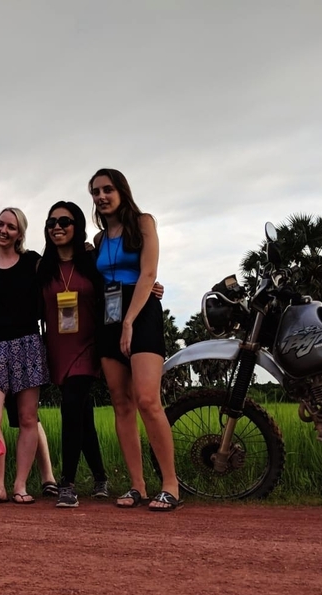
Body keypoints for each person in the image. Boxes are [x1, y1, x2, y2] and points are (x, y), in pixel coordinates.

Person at [90, 168, 180, 511]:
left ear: (121, 191)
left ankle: (170, 484)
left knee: (146, 399)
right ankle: (137, 485)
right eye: (96, 192)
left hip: (140, 313)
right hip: (108, 314)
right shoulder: (99, 241)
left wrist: (129, 321)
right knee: (121, 402)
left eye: (107, 189)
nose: (101, 196)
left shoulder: (143, 222)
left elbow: (149, 273)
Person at [0, 194, 59, 498]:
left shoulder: (33, 262)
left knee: (28, 418)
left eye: (11, 226)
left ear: (20, 233)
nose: (3, 230)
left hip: (28, 344)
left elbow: (61, 275)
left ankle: (20, 484)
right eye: (1, 224)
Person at [36, 201, 109, 508]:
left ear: (77, 225)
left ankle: (66, 482)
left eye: (64, 221)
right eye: (52, 222)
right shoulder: (43, 268)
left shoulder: (93, 260)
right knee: (83, 415)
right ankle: (101, 477)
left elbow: (118, 288)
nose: (57, 227)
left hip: (88, 346)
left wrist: (153, 289)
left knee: (71, 406)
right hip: (58, 348)